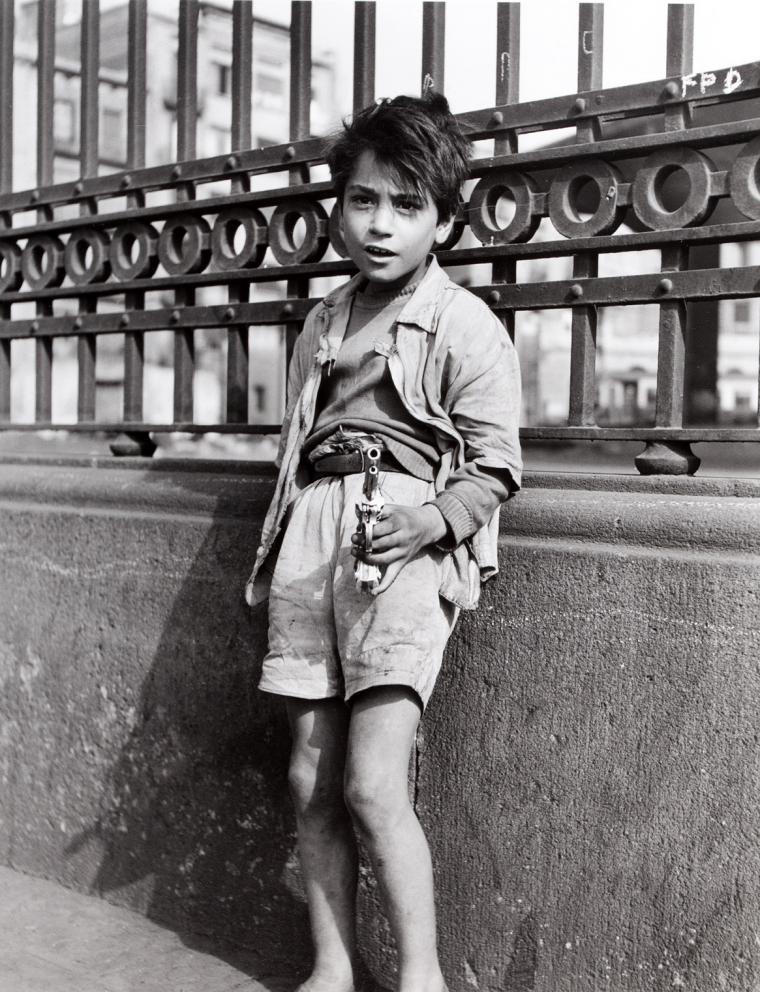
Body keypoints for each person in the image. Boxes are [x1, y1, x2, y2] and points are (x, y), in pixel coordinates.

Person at [245, 92, 522, 992]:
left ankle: (423, 978)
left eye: (408, 206)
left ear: (444, 220)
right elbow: (297, 449)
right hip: (312, 539)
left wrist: (431, 521)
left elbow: (497, 467)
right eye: (364, 200)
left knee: (372, 784)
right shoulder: (323, 322)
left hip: (400, 545)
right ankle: (331, 967)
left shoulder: (465, 325)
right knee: (309, 778)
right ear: (337, 207)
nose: (380, 224)